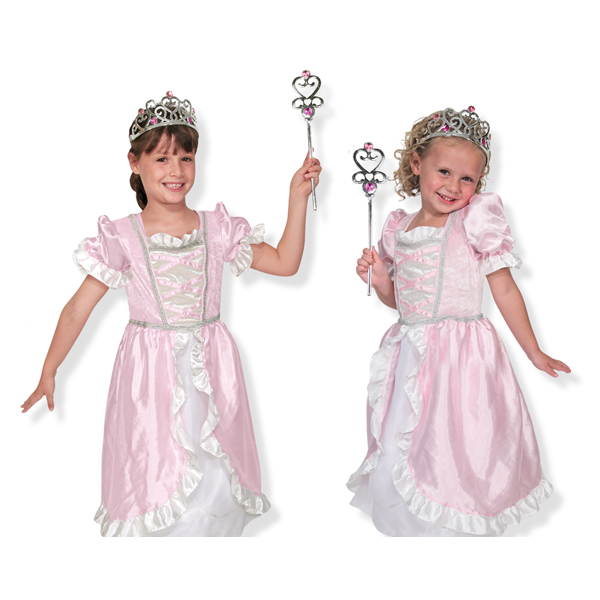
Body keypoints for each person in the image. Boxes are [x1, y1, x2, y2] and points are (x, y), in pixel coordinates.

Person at [21, 91, 321, 537]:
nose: (176, 170)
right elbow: (76, 310)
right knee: (155, 470)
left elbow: (285, 262)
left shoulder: (216, 228)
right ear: (134, 162)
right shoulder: (123, 237)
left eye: (185, 157)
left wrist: (296, 199)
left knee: (212, 478)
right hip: (149, 377)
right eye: (161, 159)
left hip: (210, 369)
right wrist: (50, 369)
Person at [347, 107, 570, 537]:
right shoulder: (397, 227)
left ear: (479, 183)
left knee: (459, 446)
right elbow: (403, 305)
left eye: (467, 178)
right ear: (417, 164)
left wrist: (533, 350)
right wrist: (381, 281)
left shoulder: (474, 220)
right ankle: (415, 529)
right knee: (404, 442)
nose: (453, 186)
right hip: (412, 357)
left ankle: (456, 528)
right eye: (444, 172)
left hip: (463, 358)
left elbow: (504, 289)